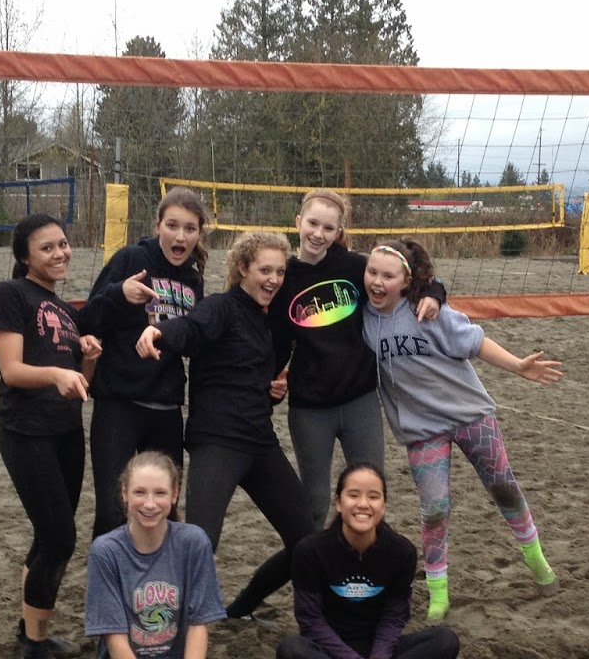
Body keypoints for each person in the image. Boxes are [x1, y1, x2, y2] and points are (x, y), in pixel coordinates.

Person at [362, 237, 563, 621]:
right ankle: (439, 593)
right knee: (435, 508)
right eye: (372, 272)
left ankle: (536, 559)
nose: (377, 280)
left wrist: (519, 366)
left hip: (470, 415)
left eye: (388, 275)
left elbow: (476, 342)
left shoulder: (429, 312)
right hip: (422, 429)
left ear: (405, 281)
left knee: (504, 487)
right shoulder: (362, 316)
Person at [136, 230, 312, 620]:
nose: (274, 279)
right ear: (242, 269)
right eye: (265, 269)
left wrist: (271, 391)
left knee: (307, 540)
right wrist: (159, 332)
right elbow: (191, 329)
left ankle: (242, 607)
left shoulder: (265, 321)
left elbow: (244, 374)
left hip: (259, 440)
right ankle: (156, 624)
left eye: (280, 271)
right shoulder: (220, 307)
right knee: (200, 542)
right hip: (217, 440)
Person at [58, 451, 281, 659]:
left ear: (175, 494)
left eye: (160, 493)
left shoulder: (193, 541)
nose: (150, 503)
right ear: (124, 494)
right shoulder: (106, 551)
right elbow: (116, 643)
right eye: (140, 492)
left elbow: (198, 626)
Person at [271, 189, 443, 527]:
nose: (318, 234)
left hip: (359, 400)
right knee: (315, 501)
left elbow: (410, 276)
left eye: (328, 228)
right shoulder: (284, 277)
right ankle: (313, 571)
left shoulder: (355, 267)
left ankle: (367, 566)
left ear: (339, 232)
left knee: (369, 491)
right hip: (309, 407)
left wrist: (436, 294)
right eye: (313, 224)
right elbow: (275, 339)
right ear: (298, 223)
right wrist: (270, 377)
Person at [0, 214, 102, 659]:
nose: (60, 253)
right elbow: (12, 371)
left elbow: (81, 386)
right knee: (59, 538)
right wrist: (56, 372)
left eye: (63, 244)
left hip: (66, 434)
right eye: (47, 247)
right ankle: (35, 647)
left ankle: (30, 630)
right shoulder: (9, 295)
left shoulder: (66, 310)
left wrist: (88, 359)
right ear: (25, 257)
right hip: (26, 433)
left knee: (48, 536)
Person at [276, 462, 459, 659]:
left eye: (373, 496)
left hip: (380, 652)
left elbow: (395, 616)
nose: (363, 504)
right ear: (338, 503)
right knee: (291, 649)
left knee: (445, 641)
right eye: (353, 495)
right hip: (329, 652)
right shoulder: (310, 551)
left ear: (383, 505)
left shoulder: (401, 552)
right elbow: (310, 621)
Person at [77, 188, 210, 538]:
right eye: (172, 226)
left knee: (163, 509)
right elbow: (86, 320)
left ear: (199, 233)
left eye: (190, 228)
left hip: (165, 407)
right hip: (119, 403)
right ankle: (108, 587)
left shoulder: (194, 278)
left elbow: (194, 338)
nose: (180, 236)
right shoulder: (131, 259)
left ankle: (154, 587)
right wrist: (119, 294)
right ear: (157, 226)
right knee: (113, 509)